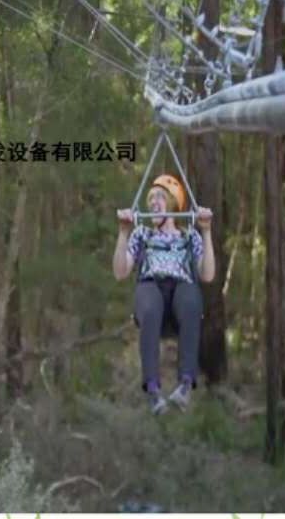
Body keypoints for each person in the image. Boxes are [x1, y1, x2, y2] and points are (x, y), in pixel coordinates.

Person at [112, 174, 215, 414]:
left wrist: (207, 231)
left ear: (172, 204)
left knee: (191, 301)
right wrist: (123, 233)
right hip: (152, 288)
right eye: (151, 199)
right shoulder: (142, 235)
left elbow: (207, 274)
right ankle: (153, 389)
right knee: (148, 306)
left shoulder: (190, 237)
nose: (154, 203)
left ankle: (186, 384)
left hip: (181, 291)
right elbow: (120, 271)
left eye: (160, 197)